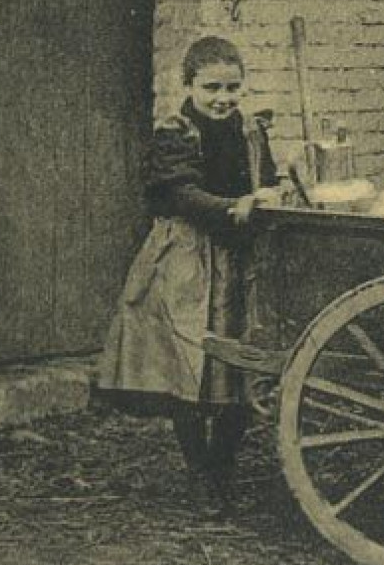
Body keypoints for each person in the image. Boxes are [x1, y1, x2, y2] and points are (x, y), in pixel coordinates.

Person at [97, 35, 278, 515]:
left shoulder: (251, 132)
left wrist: (271, 195)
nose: (223, 98)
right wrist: (231, 208)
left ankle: (223, 465)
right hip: (187, 259)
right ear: (189, 86)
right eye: (211, 87)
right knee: (188, 367)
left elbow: (268, 181)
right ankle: (200, 473)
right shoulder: (174, 134)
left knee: (241, 363)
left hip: (240, 260)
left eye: (232, 88)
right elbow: (180, 195)